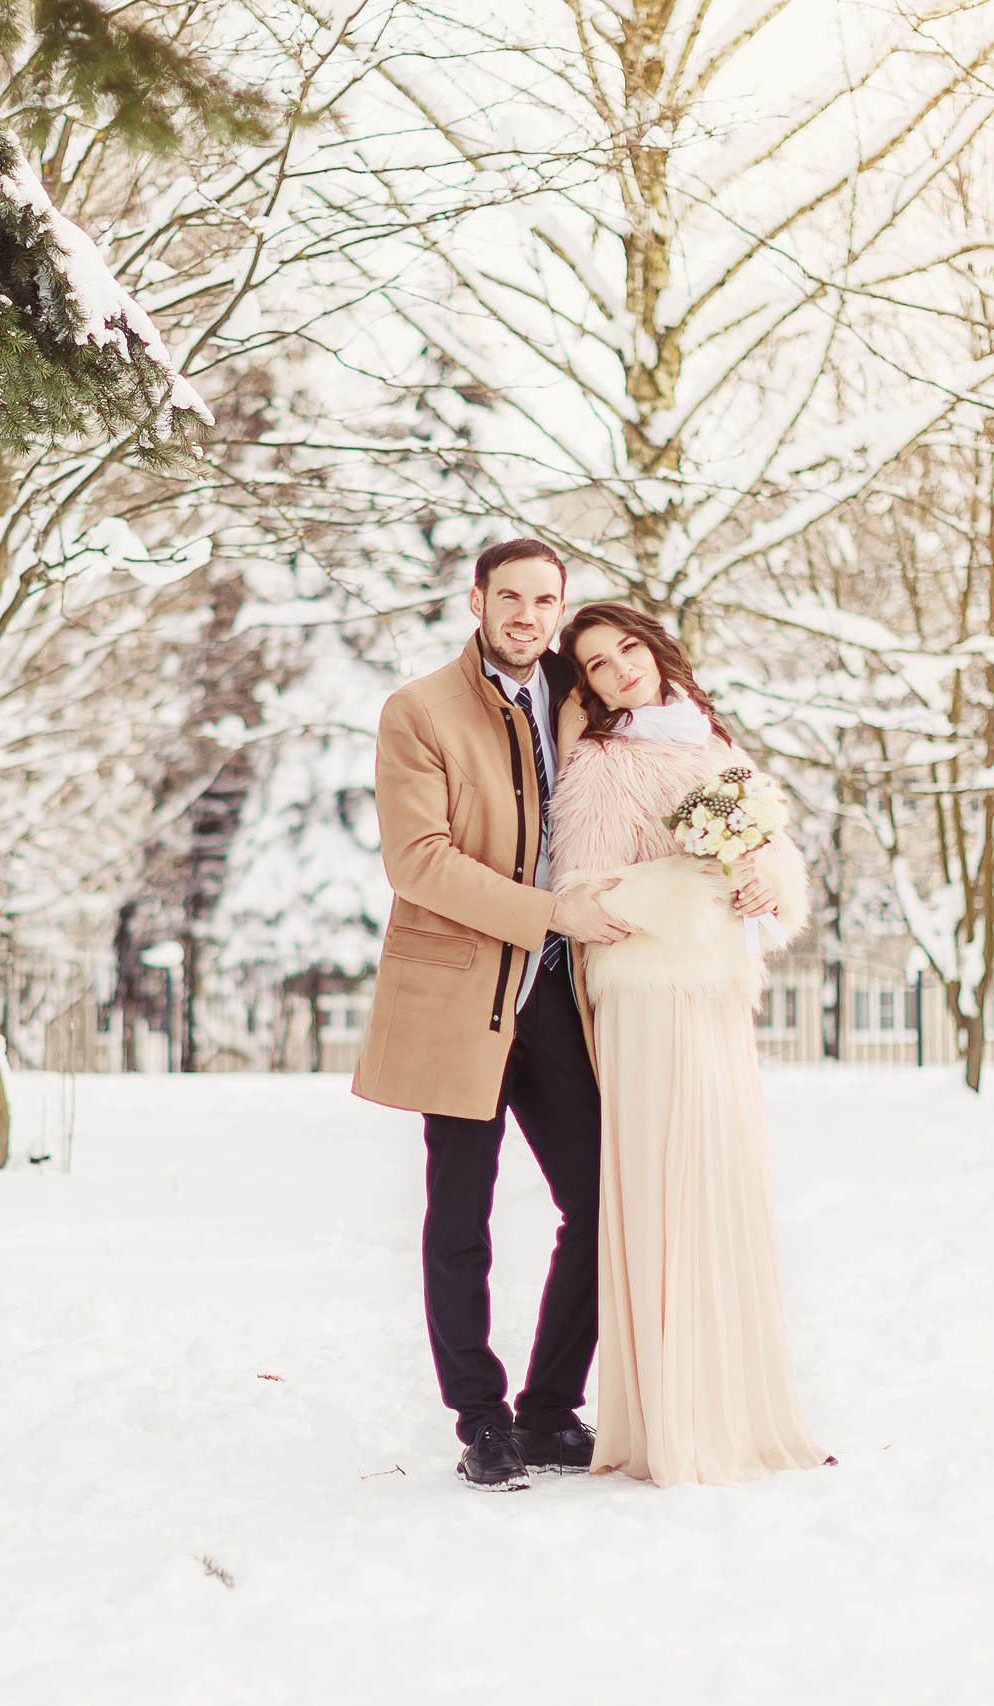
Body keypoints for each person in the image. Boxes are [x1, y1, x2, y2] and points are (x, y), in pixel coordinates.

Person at [353, 539, 632, 1491]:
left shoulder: (578, 695)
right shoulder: (419, 711)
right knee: (460, 1218)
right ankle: (482, 1420)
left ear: (562, 605)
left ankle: (551, 1411)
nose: (526, 614)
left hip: (555, 994)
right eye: (507, 595)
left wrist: (742, 855)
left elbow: (670, 764)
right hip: (460, 993)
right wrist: (553, 910)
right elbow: (418, 861)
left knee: (602, 1202)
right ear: (476, 600)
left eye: (543, 598)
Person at [546, 600, 834, 1487]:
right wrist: (704, 878)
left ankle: (733, 1410)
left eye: (629, 648)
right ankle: (674, 1420)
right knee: (670, 1191)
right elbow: (588, 892)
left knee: (722, 1186)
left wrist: (758, 878)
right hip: (650, 998)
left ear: (657, 649)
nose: (622, 668)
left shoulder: (716, 748)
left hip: (715, 998)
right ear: (586, 687)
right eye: (597, 663)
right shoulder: (598, 763)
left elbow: (780, 863)